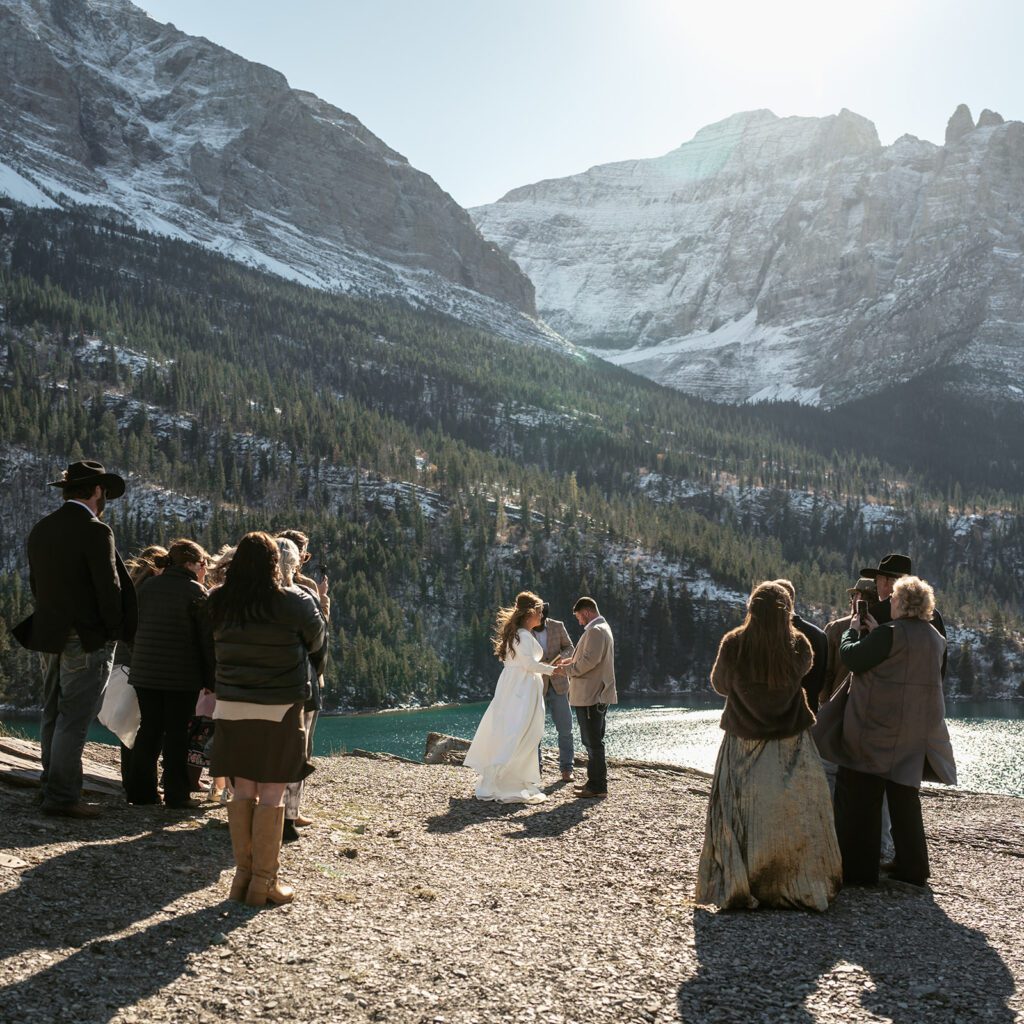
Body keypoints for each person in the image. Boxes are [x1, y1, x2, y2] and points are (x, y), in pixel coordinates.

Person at [696, 582, 841, 911]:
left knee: (738, 810)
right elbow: (805, 670)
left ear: (751, 609)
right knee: (789, 812)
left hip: (742, 738)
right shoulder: (799, 645)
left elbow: (719, 685)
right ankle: (788, 879)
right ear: (787, 611)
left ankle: (741, 880)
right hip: (790, 740)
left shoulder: (734, 642)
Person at [12, 460, 137, 819]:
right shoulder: (96, 530)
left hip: (48, 633)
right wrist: (113, 631)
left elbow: (37, 585)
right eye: (105, 492)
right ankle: (63, 797)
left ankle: (50, 786)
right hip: (86, 637)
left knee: (52, 712)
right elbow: (109, 588)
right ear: (96, 491)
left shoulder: (42, 528)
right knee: (74, 717)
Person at [209, 532, 326, 906]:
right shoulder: (295, 601)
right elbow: (317, 645)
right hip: (279, 708)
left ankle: (241, 878)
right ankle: (264, 882)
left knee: (242, 790)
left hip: (230, 706)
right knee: (272, 794)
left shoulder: (218, 602)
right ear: (276, 563)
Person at [831, 576, 956, 887]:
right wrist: (876, 635)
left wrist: (852, 633)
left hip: (877, 728)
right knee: (904, 798)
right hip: (915, 731)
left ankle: (859, 871)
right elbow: (906, 664)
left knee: (862, 796)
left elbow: (852, 658)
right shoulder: (934, 638)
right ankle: (913, 868)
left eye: (893, 599)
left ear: (901, 603)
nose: (889, 603)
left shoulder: (889, 633)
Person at [125, 539, 215, 809]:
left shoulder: (147, 587)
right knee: (176, 734)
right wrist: (210, 680)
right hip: (181, 677)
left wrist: (139, 655)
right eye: (203, 564)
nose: (204, 569)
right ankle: (177, 795)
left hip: (144, 673)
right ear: (190, 564)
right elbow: (205, 641)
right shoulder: (196, 592)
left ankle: (140, 792)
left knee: (149, 729)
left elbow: (129, 628)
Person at [464, 591, 556, 804]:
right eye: (540, 612)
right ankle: (508, 781)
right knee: (518, 731)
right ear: (530, 613)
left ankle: (510, 778)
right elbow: (529, 665)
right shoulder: (523, 636)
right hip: (520, 690)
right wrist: (553, 670)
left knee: (513, 730)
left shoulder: (520, 634)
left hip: (516, 686)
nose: (542, 617)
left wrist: (549, 668)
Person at [275, 535, 329, 842]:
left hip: (245, 687)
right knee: (298, 749)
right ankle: (289, 815)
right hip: (300, 684)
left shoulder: (241, 594)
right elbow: (319, 641)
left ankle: (251, 809)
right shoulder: (304, 592)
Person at [555, 597, 616, 800]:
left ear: (587, 612)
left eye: (579, 617)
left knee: (593, 742)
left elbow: (589, 661)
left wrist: (566, 669)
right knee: (592, 741)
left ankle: (598, 785)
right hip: (593, 694)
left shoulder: (596, 631)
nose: (579, 621)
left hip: (591, 695)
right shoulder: (600, 628)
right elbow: (588, 658)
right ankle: (594, 782)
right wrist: (570, 661)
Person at [861, 554, 947, 678]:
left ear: (886, 581)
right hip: (926, 693)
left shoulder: (874, 613)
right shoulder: (934, 616)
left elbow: (862, 660)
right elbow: (941, 666)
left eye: (877, 580)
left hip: (887, 692)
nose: (876, 585)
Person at [532, 602, 575, 782]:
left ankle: (567, 768)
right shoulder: (526, 629)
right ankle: (536, 769)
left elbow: (569, 648)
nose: (539, 620)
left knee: (565, 728)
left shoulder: (558, 626)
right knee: (535, 730)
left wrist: (559, 660)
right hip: (536, 685)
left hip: (558, 683)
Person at [773, 579, 828, 711]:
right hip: (808, 715)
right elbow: (821, 683)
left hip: (776, 717)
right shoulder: (819, 635)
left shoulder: (770, 636)